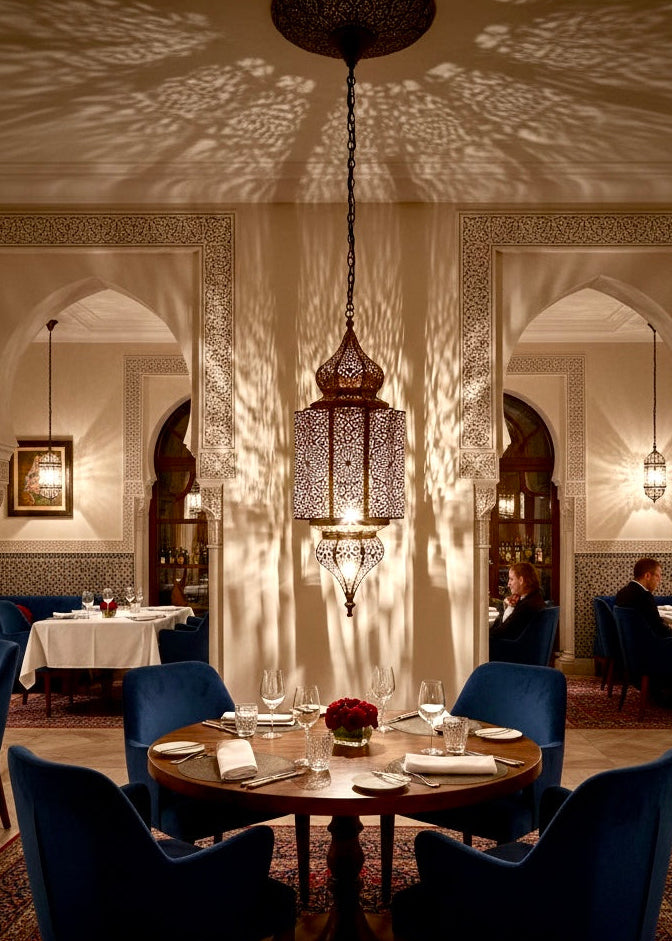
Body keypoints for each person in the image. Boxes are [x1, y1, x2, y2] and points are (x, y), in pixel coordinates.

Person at [615, 558, 671, 639]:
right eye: (657, 576)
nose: (660, 580)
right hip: (649, 644)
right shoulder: (645, 596)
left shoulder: (621, 593)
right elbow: (660, 630)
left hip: (630, 642)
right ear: (647, 576)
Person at [490, 561, 546, 641]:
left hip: (511, 647)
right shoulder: (535, 598)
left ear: (521, 580)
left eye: (511, 579)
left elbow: (502, 631)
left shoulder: (526, 606)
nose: (508, 584)